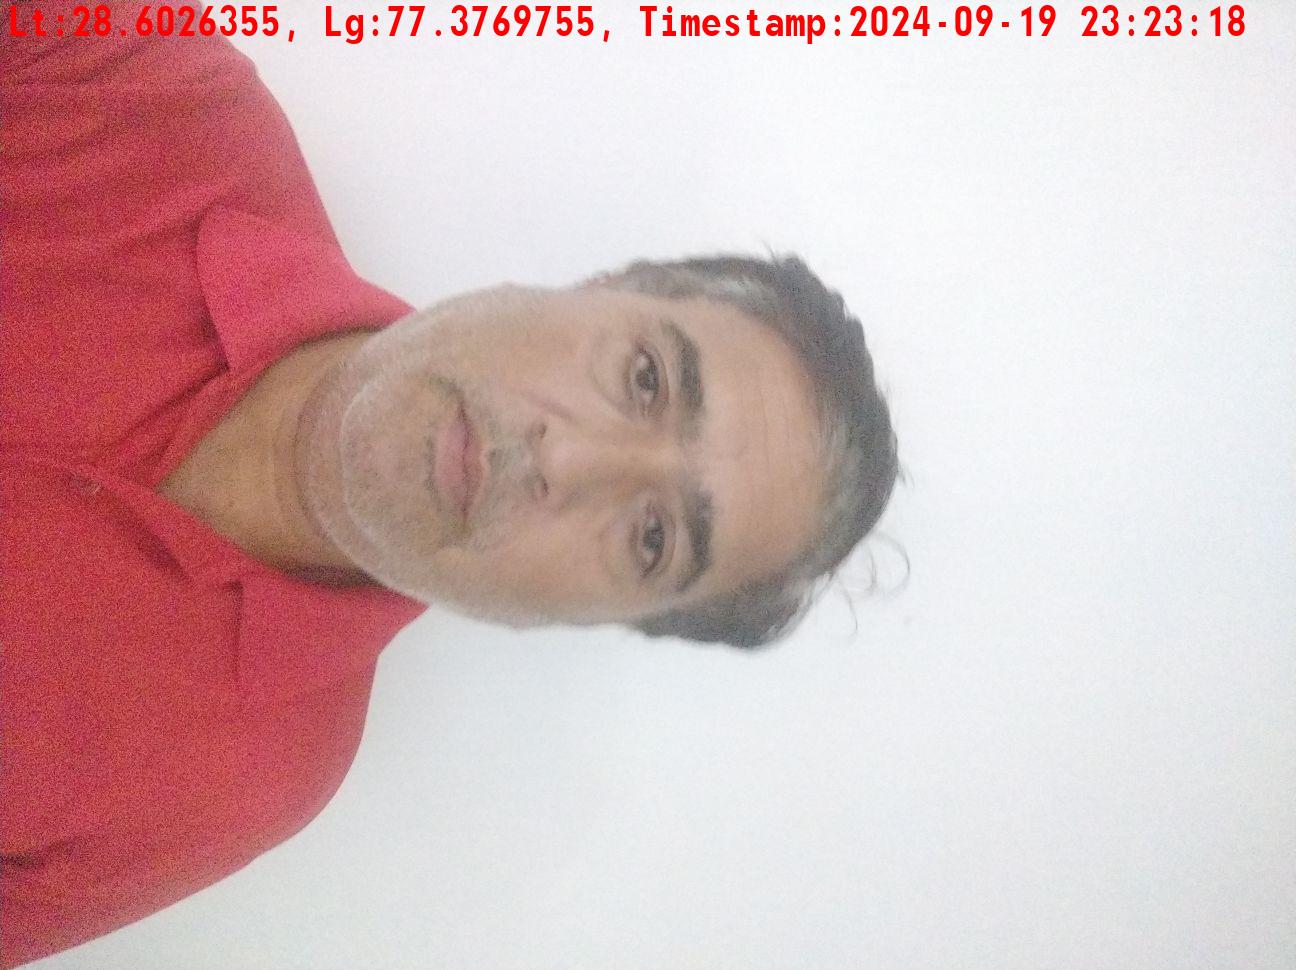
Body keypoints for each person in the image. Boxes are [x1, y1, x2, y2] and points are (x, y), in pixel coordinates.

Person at [0, 6, 897, 965]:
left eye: (653, 538)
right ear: (604, 281)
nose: (569, 461)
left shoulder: (244, 780)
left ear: (586, 620)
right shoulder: (161, 98)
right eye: (646, 380)